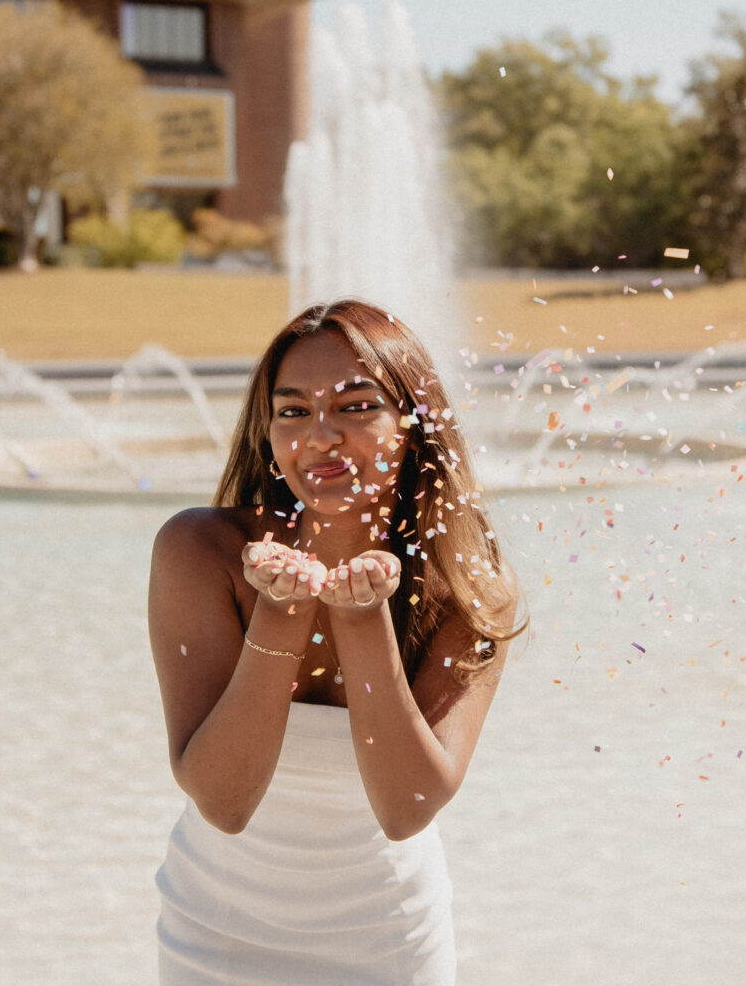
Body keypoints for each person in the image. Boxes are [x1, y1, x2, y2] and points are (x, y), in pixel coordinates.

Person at [147, 299, 525, 985]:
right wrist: (280, 611)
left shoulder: (465, 585)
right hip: (217, 934)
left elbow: (406, 808)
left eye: (355, 407)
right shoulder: (199, 551)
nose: (319, 436)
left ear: (414, 423)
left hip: (388, 940)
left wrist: (362, 618)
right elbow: (224, 803)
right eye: (293, 410)